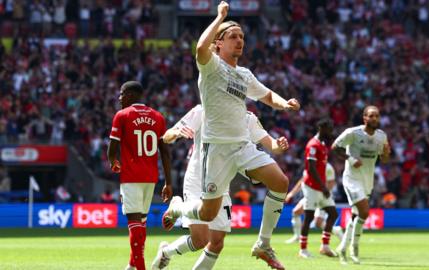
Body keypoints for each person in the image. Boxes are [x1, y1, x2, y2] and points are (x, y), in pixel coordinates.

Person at [162, 3, 300, 269]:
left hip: (241, 146)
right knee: (206, 214)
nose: (240, 41)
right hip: (217, 151)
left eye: (242, 37)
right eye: (233, 37)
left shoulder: (244, 75)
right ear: (218, 44)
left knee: (280, 182)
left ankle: (263, 244)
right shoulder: (211, 66)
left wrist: (285, 104)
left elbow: (267, 95)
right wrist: (220, 17)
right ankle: (179, 207)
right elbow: (200, 49)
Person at [153, 105, 289, 270]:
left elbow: (271, 144)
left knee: (216, 242)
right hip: (197, 181)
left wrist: (278, 146)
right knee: (200, 240)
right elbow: (166, 136)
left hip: (221, 184)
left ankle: (166, 252)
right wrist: (175, 133)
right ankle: (176, 214)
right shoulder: (203, 111)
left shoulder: (248, 118)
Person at [107, 81, 173, 270]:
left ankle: (140, 268)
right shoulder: (158, 117)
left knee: (134, 224)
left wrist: (113, 161)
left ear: (130, 94)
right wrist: (168, 182)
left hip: (131, 177)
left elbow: (112, 148)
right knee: (141, 224)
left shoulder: (122, 116)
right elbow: (165, 152)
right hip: (150, 177)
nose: (119, 98)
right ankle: (131, 265)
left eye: (121, 94)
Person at [331, 105, 390, 264]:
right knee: (364, 212)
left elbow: (384, 159)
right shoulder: (353, 133)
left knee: (357, 215)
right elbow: (334, 148)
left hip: (367, 181)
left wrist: (386, 153)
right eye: (371, 116)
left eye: (376, 116)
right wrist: (351, 159)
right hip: (351, 179)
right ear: (364, 118)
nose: (374, 119)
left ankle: (345, 249)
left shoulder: (381, 136)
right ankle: (352, 248)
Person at [292, 119, 339, 258]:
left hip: (321, 187)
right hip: (311, 186)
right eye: (329, 129)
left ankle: (325, 246)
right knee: (309, 217)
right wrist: (323, 186)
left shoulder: (323, 145)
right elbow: (311, 169)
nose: (331, 132)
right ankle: (303, 250)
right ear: (321, 128)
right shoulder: (312, 145)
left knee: (333, 214)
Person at [284, 163, 343, 245]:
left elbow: (331, 183)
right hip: (311, 195)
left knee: (318, 223)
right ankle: (297, 236)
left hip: (323, 196)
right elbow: (303, 180)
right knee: (296, 211)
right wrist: (291, 193)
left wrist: (321, 195)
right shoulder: (310, 166)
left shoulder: (328, 167)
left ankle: (336, 230)